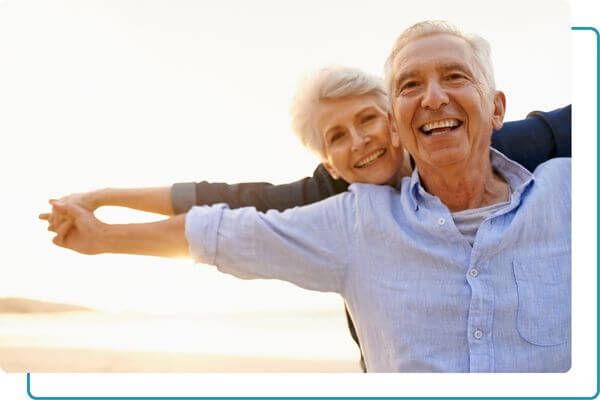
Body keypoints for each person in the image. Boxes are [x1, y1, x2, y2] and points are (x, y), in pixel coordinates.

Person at [42, 21, 570, 372]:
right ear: (328, 162)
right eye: (336, 137)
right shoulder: (345, 215)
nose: (360, 141)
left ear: (389, 125)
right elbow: (221, 214)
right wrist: (104, 223)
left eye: (367, 120)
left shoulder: (543, 169)